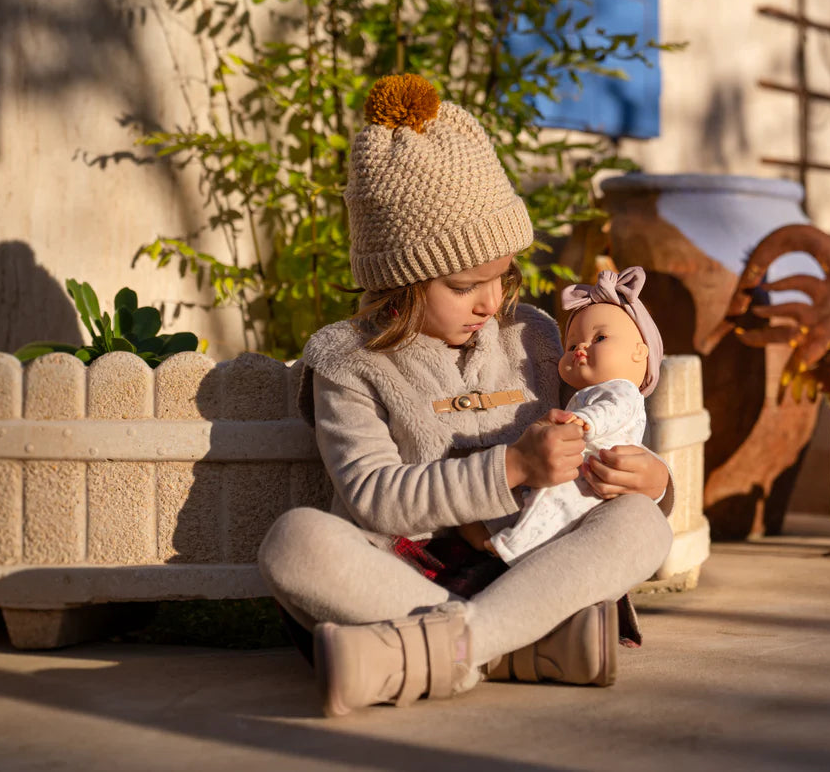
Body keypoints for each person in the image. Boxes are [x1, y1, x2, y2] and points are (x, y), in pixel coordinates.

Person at [257, 73, 674, 718]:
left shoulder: (533, 337)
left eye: (501, 277)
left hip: (534, 561)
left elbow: (599, 428)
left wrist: (645, 477)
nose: (489, 302)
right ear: (400, 281)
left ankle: (444, 650)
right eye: (462, 284)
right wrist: (514, 466)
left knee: (642, 523)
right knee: (293, 542)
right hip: (406, 573)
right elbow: (372, 495)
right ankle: (516, 643)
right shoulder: (347, 363)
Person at [485, 266, 664, 564]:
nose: (581, 347)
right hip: (576, 463)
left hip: (592, 470)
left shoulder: (622, 390)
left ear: (639, 352)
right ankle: (512, 541)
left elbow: (611, 411)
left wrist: (586, 421)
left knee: (553, 506)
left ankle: (512, 548)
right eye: (570, 345)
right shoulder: (581, 392)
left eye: (600, 338)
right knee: (541, 502)